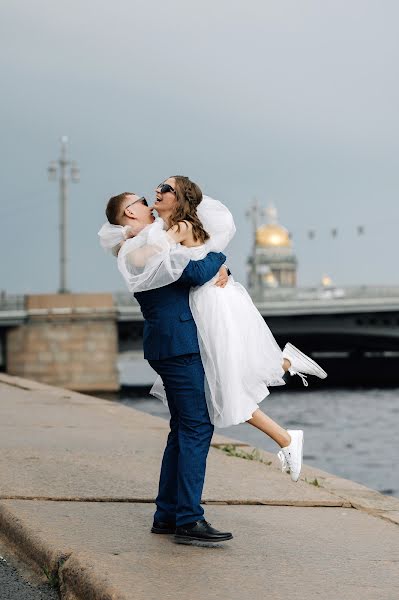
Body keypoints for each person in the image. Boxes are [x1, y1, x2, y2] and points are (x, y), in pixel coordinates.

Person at [99, 191, 233, 545]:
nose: (149, 202)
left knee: (182, 428)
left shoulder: (147, 241)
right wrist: (220, 252)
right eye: (142, 200)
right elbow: (193, 272)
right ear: (130, 211)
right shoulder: (142, 247)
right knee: (197, 427)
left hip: (168, 343)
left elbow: (189, 267)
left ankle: (168, 514)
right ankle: (189, 519)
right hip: (177, 344)